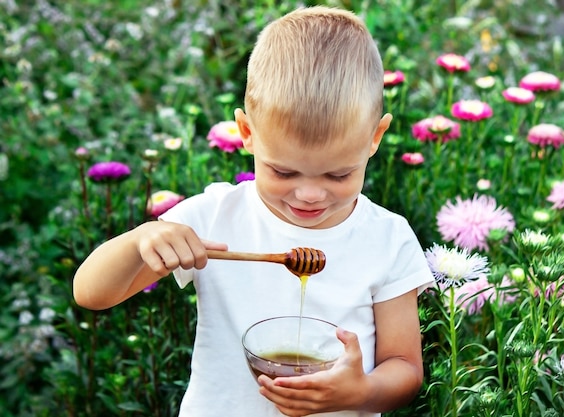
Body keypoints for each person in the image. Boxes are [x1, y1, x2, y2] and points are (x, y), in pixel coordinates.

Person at [73, 6, 434, 417]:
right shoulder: (213, 218)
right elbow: (91, 294)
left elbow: (405, 368)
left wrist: (360, 393)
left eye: (338, 175)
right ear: (246, 133)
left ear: (375, 138)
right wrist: (141, 240)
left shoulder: (387, 238)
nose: (310, 194)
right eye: (283, 171)